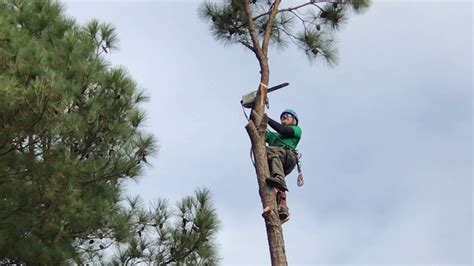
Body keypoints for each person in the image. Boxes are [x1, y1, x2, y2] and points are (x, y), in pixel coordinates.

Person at [265, 109, 302, 223]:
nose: (284, 117)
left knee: (267, 151)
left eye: (287, 116)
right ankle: (282, 209)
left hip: (288, 156)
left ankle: (279, 179)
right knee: (272, 185)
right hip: (278, 160)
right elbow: (260, 132)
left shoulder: (296, 130)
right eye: (282, 116)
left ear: (294, 121)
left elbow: (283, 129)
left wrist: (267, 119)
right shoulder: (274, 136)